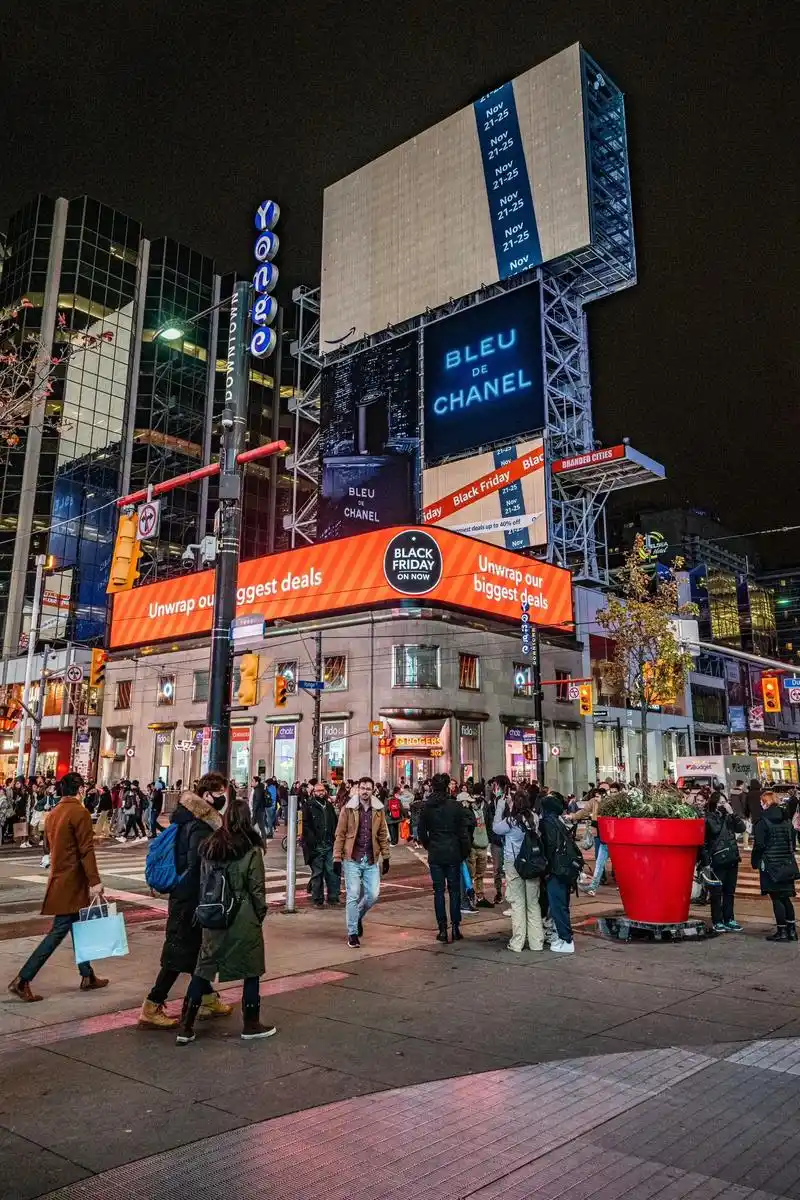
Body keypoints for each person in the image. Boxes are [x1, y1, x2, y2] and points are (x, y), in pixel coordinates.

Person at [175, 800, 274, 1045]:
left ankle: (185, 1025)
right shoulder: (251, 849)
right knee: (251, 968)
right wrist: (259, 913)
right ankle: (251, 1023)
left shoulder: (211, 845)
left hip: (213, 912)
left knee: (204, 967)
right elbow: (257, 888)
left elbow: (203, 882)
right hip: (243, 913)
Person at [138, 774, 233, 1029]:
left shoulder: (189, 819)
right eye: (219, 792)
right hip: (189, 900)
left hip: (187, 898)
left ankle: (208, 998)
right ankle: (152, 1003)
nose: (223, 797)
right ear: (206, 795)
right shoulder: (199, 826)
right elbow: (196, 867)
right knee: (179, 954)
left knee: (194, 952)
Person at [8, 772, 108, 1000]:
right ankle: (23, 979)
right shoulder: (79, 812)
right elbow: (86, 850)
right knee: (58, 931)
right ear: (80, 789)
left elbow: (48, 847)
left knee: (77, 928)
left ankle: (87, 975)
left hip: (59, 877)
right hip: (73, 882)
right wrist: (95, 881)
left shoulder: (53, 813)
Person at [332, 776, 390, 948]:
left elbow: (382, 834)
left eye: (368, 788)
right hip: (352, 859)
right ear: (358, 789)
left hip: (371, 859)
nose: (365, 791)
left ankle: (356, 916)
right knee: (353, 895)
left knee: (373, 895)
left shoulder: (378, 810)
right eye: (362, 788)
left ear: (373, 790)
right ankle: (352, 933)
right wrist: (336, 858)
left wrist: (386, 857)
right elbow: (340, 834)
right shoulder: (347, 809)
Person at [418, 773, 469, 942]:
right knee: (454, 891)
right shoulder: (455, 807)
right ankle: (455, 927)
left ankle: (442, 928)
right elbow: (463, 833)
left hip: (436, 851)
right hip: (453, 850)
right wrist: (464, 851)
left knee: (438, 891)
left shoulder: (427, 807)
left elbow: (421, 832)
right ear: (448, 787)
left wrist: (429, 844)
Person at [492, 788, 545, 953]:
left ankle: (517, 942)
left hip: (514, 864)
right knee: (533, 904)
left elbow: (495, 828)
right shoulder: (534, 818)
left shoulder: (510, 822)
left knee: (517, 904)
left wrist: (501, 807)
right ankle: (537, 942)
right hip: (532, 865)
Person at [752, 789, 800, 942]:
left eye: (761, 802)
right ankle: (792, 931)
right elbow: (792, 842)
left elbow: (759, 845)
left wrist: (756, 861)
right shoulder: (786, 820)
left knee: (776, 898)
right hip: (786, 863)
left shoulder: (762, 821)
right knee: (786, 897)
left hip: (770, 863)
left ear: (765, 803)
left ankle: (782, 931)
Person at [540, 793, 582, 954]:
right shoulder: (559, 822)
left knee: (558, 905)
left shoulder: (547, 824)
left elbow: (549, 848)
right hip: (565, 869)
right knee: (562, 904)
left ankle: (566, 939)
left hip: (556, 870)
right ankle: (564, 936)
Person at [703, 791, 746, 932]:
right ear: (714, 804)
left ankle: (729, 918)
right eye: (721, 803)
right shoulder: (709, 818)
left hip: (732, 858)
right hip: (717, 859)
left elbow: (742, 828)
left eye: (725, 802)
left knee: (729, 892)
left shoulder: (729, 817)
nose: (724, 805)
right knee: (716, 892)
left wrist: (732, 814)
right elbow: (713, 832)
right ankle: (717, 920)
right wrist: (705, 862)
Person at [301, 781, 341, 907]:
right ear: (313, 792)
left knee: (331, 871)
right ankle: (317, 899)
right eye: (318, 791)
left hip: (329, 843)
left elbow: (334, 822)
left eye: (322, 790)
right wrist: (312, 841)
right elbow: (305, 825)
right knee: (317, 873)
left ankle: (333, 897)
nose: (320, 793)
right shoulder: (309, 806)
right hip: (316, 845)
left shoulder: (328, 806)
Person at [465, 789, 494, 908]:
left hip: (482, 844)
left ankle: (480, 896)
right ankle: (469, 897)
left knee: (480, 874)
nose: (475, 802)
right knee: (471, 874)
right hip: (472, 846)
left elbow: (489, 824)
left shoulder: (484, 810)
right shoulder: (467, 812)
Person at [250, 776, 268, 842]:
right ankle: (257, 840)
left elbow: (257, 800)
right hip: (259, 811)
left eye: (253, 781)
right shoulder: (259, 788)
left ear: (257, 782)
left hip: (258, 811)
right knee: (252, 826)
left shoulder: (258, 789)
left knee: (260, 827)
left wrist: (254, 809)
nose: (251, 782)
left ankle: (263, 842)